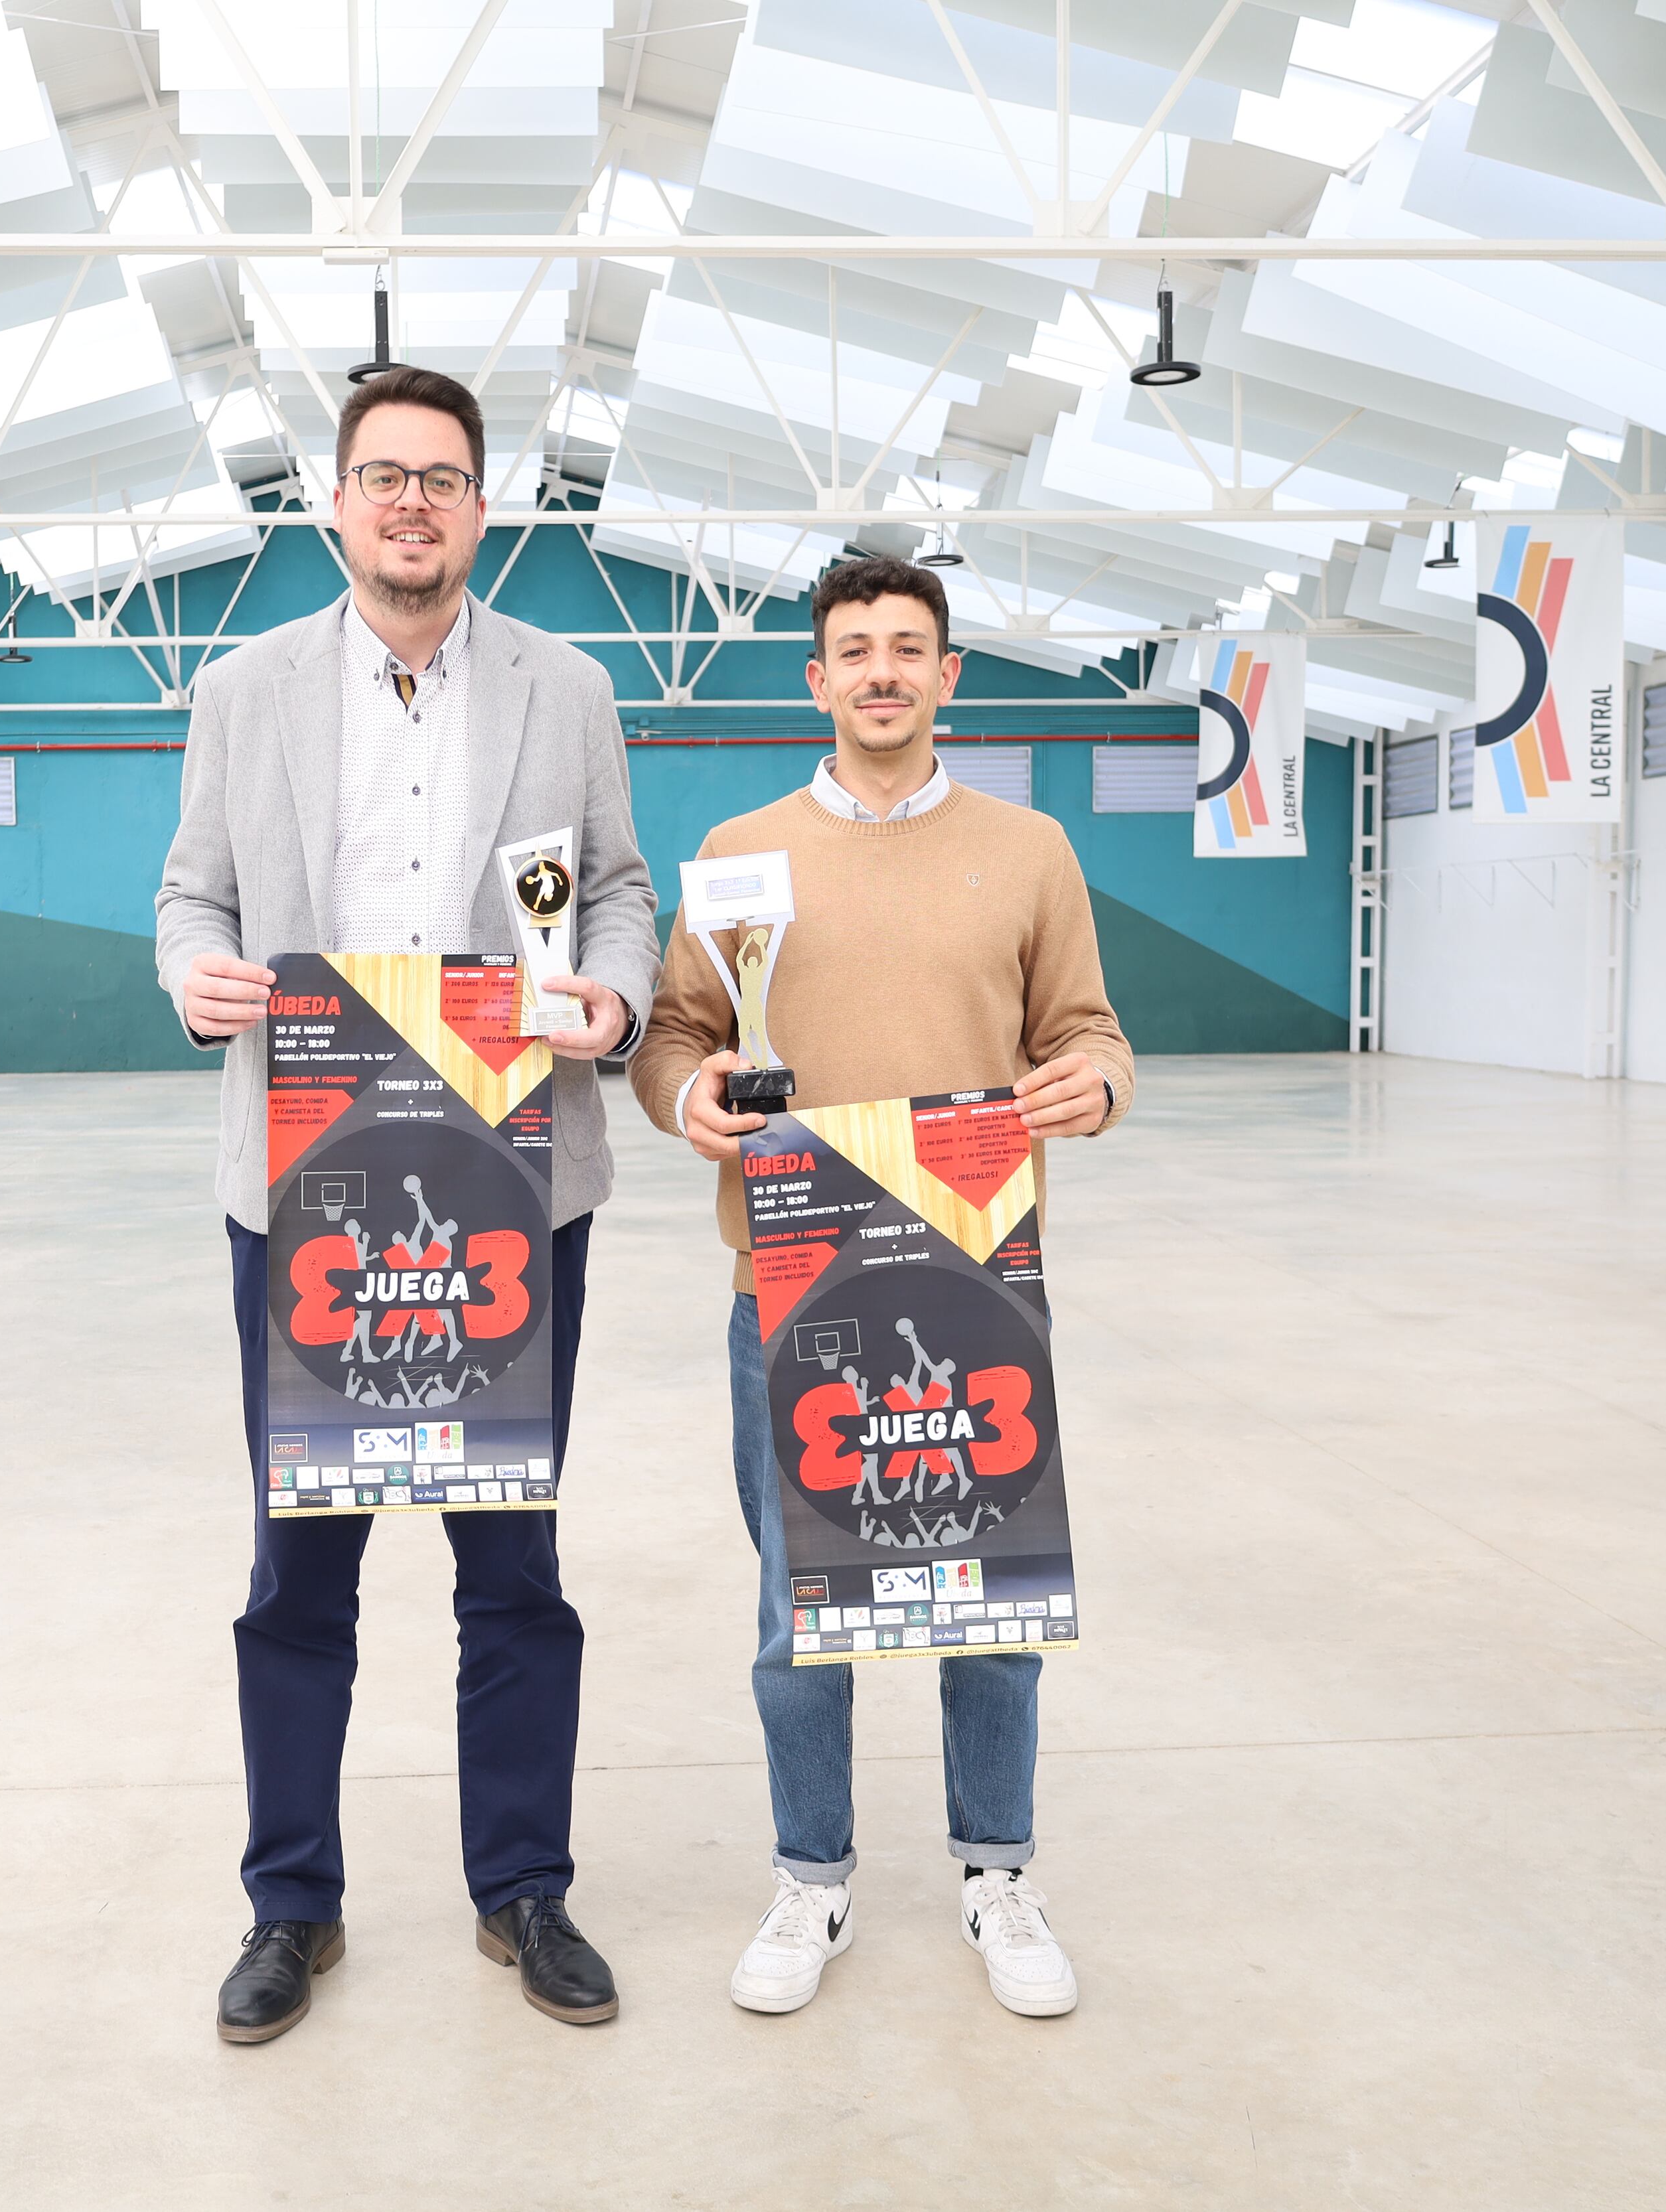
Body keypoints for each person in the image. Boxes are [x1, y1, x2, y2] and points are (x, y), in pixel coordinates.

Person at [155, 364, 659, 2045]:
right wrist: (196, 980)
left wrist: (609, 996)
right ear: (337, 501)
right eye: (384, 477)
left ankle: (523, 1886)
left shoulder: (566, 685)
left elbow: (616, 890)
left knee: (510, 1559)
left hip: (511, 1171)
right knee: (300, 1568)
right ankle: (291, 1902)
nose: (413, 504)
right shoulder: (244, 687)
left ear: (481, 504)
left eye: (443, 478)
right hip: (305, 1180)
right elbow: (191, 891)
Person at [627, 552, 1134, 2020]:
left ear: (947, 672)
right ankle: (811, 1874)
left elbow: (1093, 1035)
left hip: (975, 1273)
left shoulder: (1029, 850)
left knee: (986, 1593)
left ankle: (996, 1870)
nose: (881, 672)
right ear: (817, 678)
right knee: (799, 1599)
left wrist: (1085, 1091)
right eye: (853, 649)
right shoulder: (738, 851)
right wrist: (689, 1095)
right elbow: (671, 1033)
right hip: (787, 1276)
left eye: (908, 648)